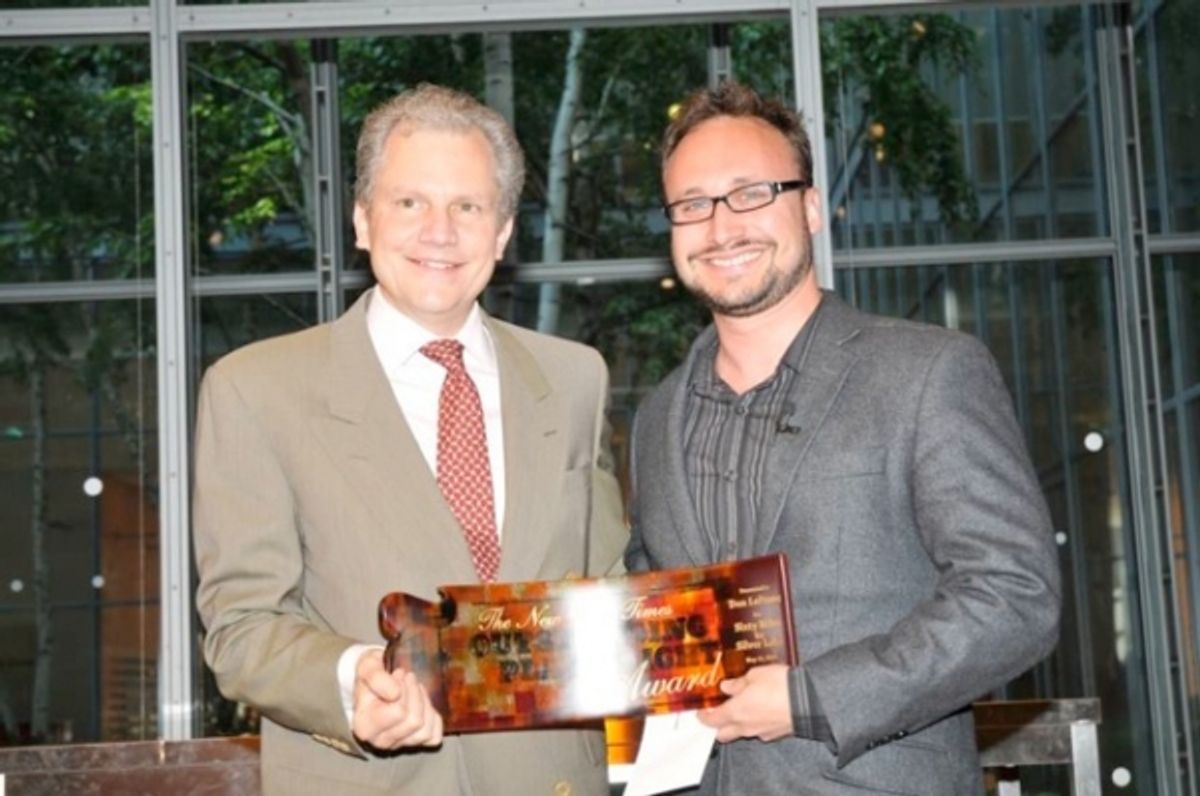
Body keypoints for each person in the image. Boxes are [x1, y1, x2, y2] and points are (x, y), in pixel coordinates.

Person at [624, 81, 1061, 795]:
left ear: (810, 208)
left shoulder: (927, 373)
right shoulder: (655, 418)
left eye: (751, 193)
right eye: (692, 204)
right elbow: (657, 619)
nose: (721, 225)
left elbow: (1015, 597)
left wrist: (810, 697)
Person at [193, 83, 628, 796]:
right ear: (362, 221)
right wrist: (353, 677)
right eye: (409, 202)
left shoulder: (576, 379)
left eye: (467, 206)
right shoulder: (254, 389)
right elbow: (242, 630)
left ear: (503, 231)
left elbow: (605, 593)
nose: (440, 231)